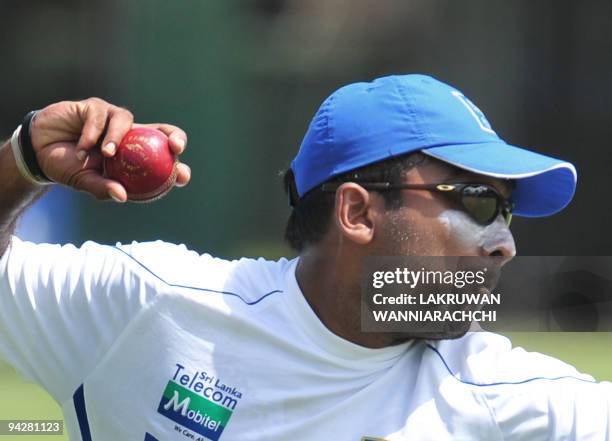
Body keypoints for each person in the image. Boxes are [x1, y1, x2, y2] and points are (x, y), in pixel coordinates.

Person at [0, 74, 608, 441]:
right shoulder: (150, 304)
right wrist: (22, 161)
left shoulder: (513, 399)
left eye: (508, 212)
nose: (505, 242)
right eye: (478, 202)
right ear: (358, 213)